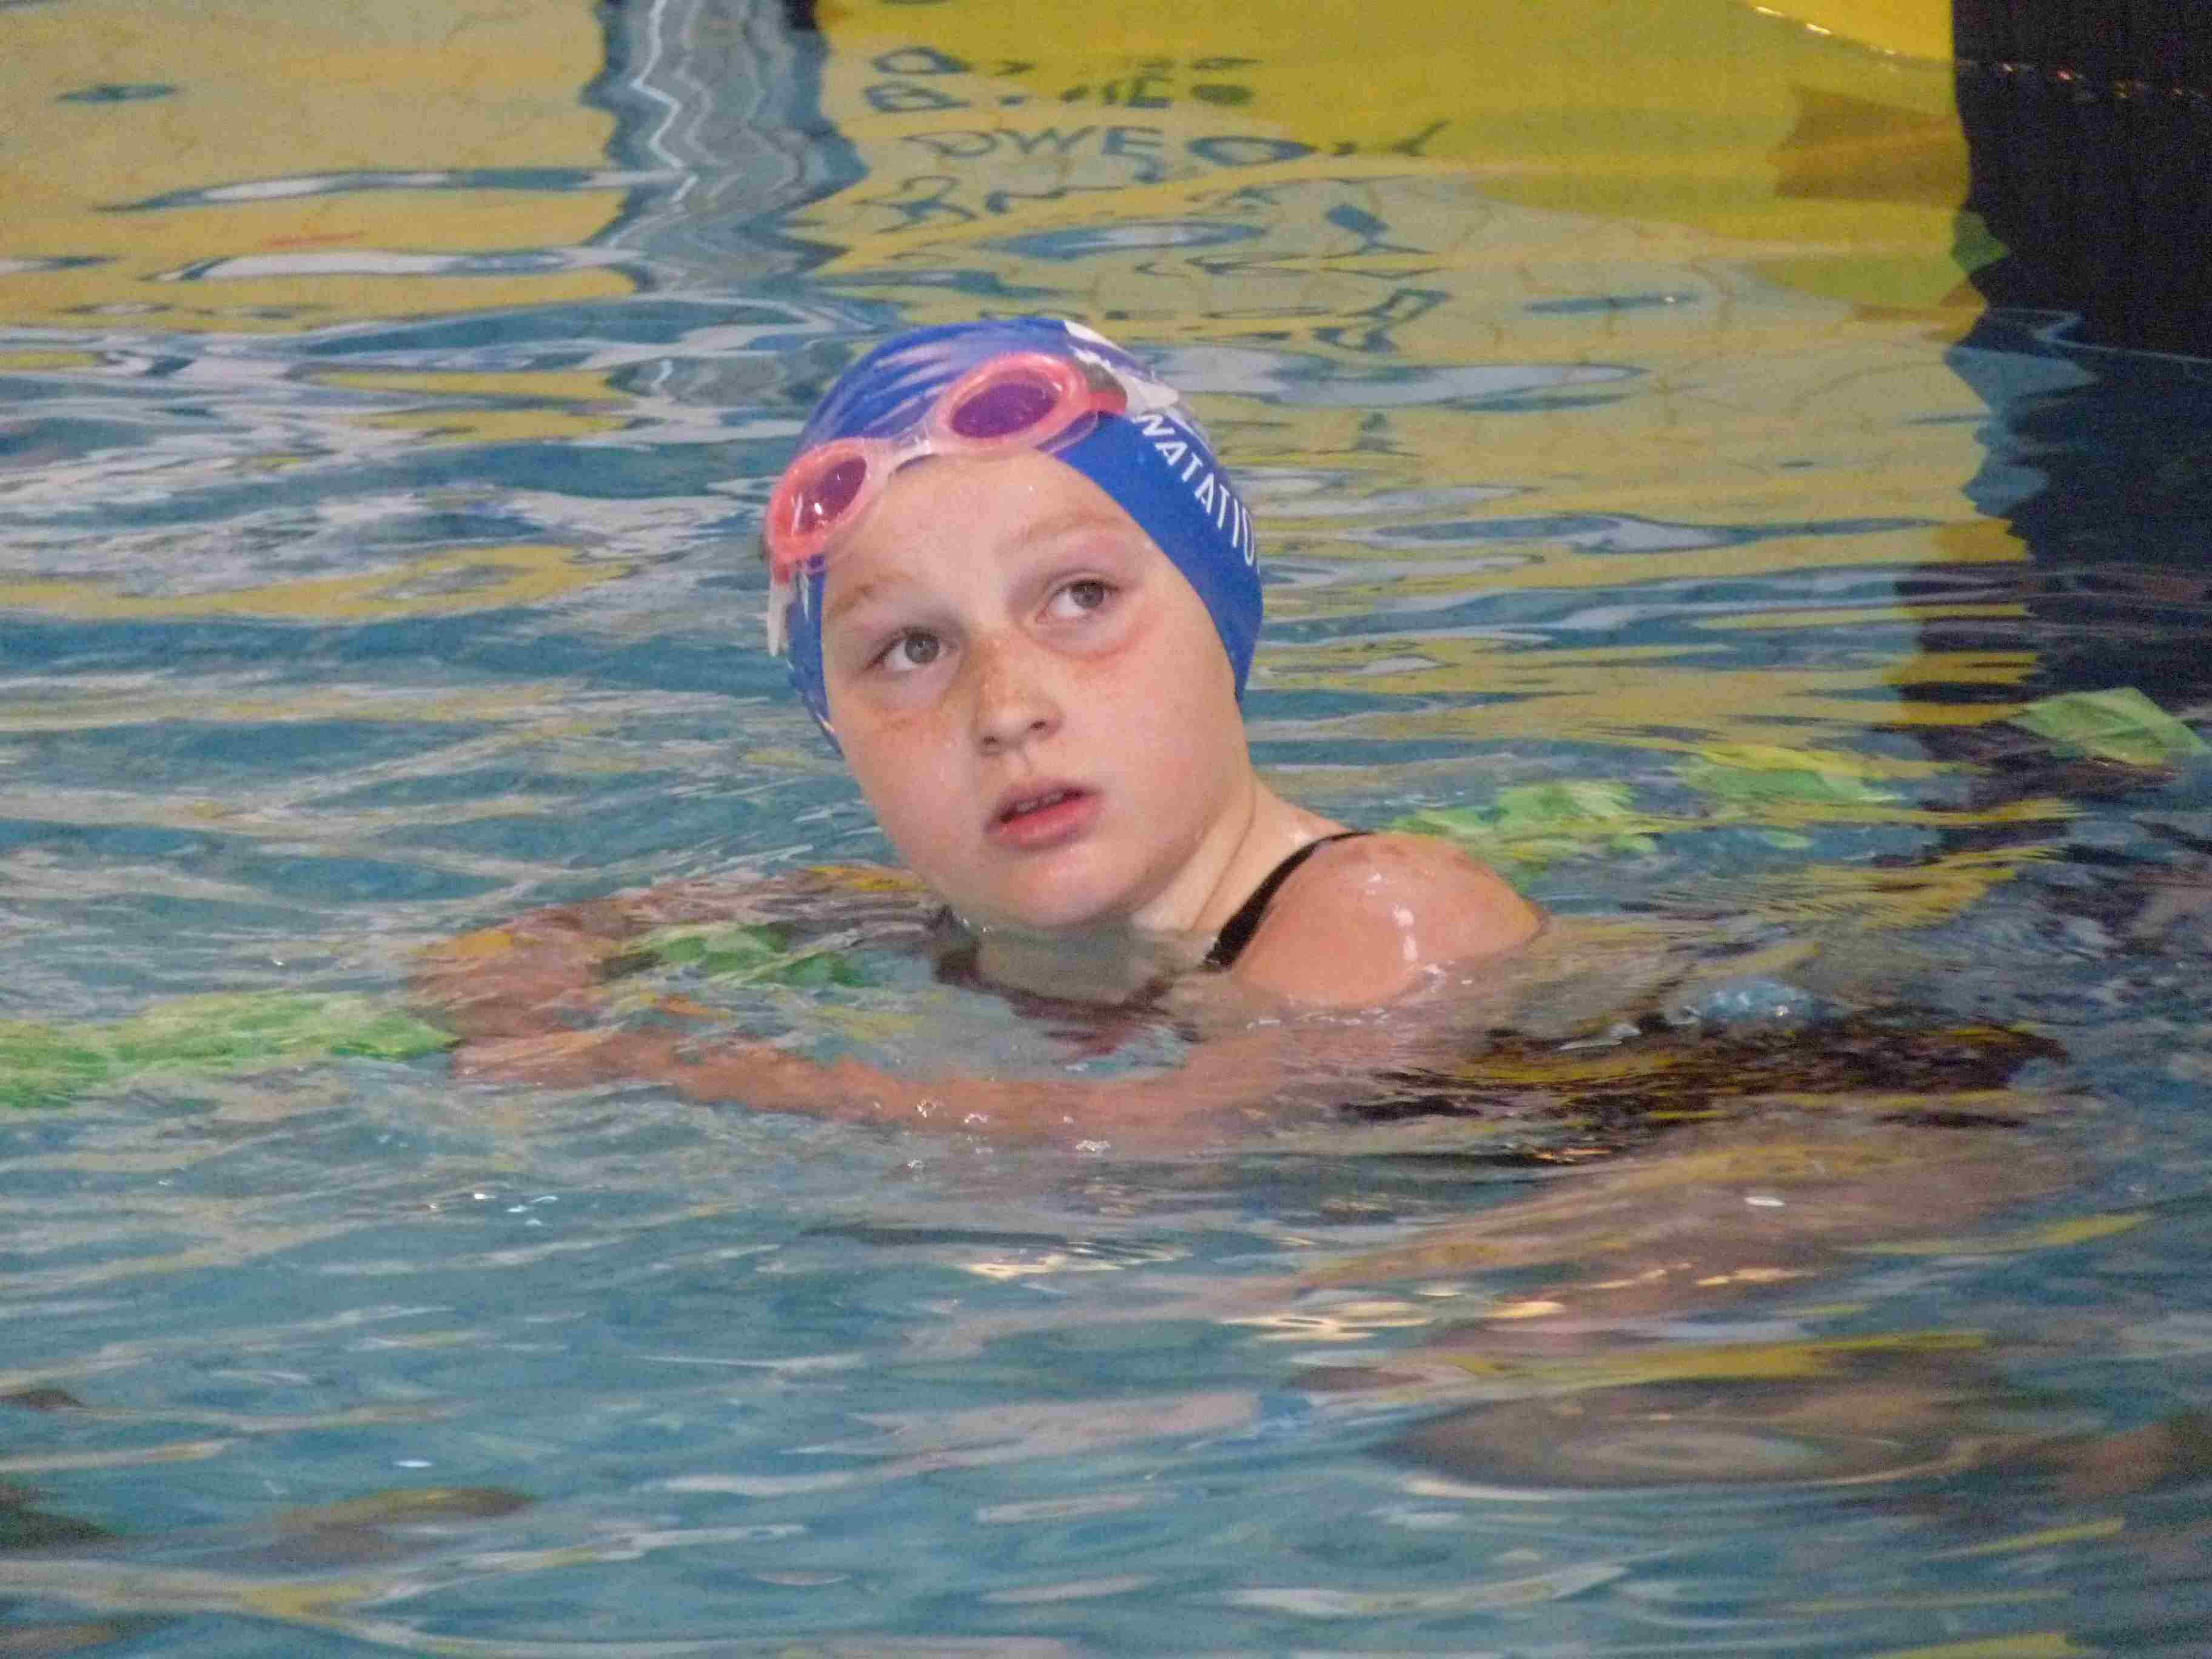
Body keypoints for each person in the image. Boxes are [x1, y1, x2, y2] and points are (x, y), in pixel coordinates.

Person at [417, 317, 1543, 1145]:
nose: (1006, 710)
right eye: (913, 650)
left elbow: (1122, 1147)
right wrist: (524, 993)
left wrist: (661, 1066)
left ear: (1224, 613)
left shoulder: (1385, 910)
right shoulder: (928, 924)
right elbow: (531, 945)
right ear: (838, 730)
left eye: (1081, 599)